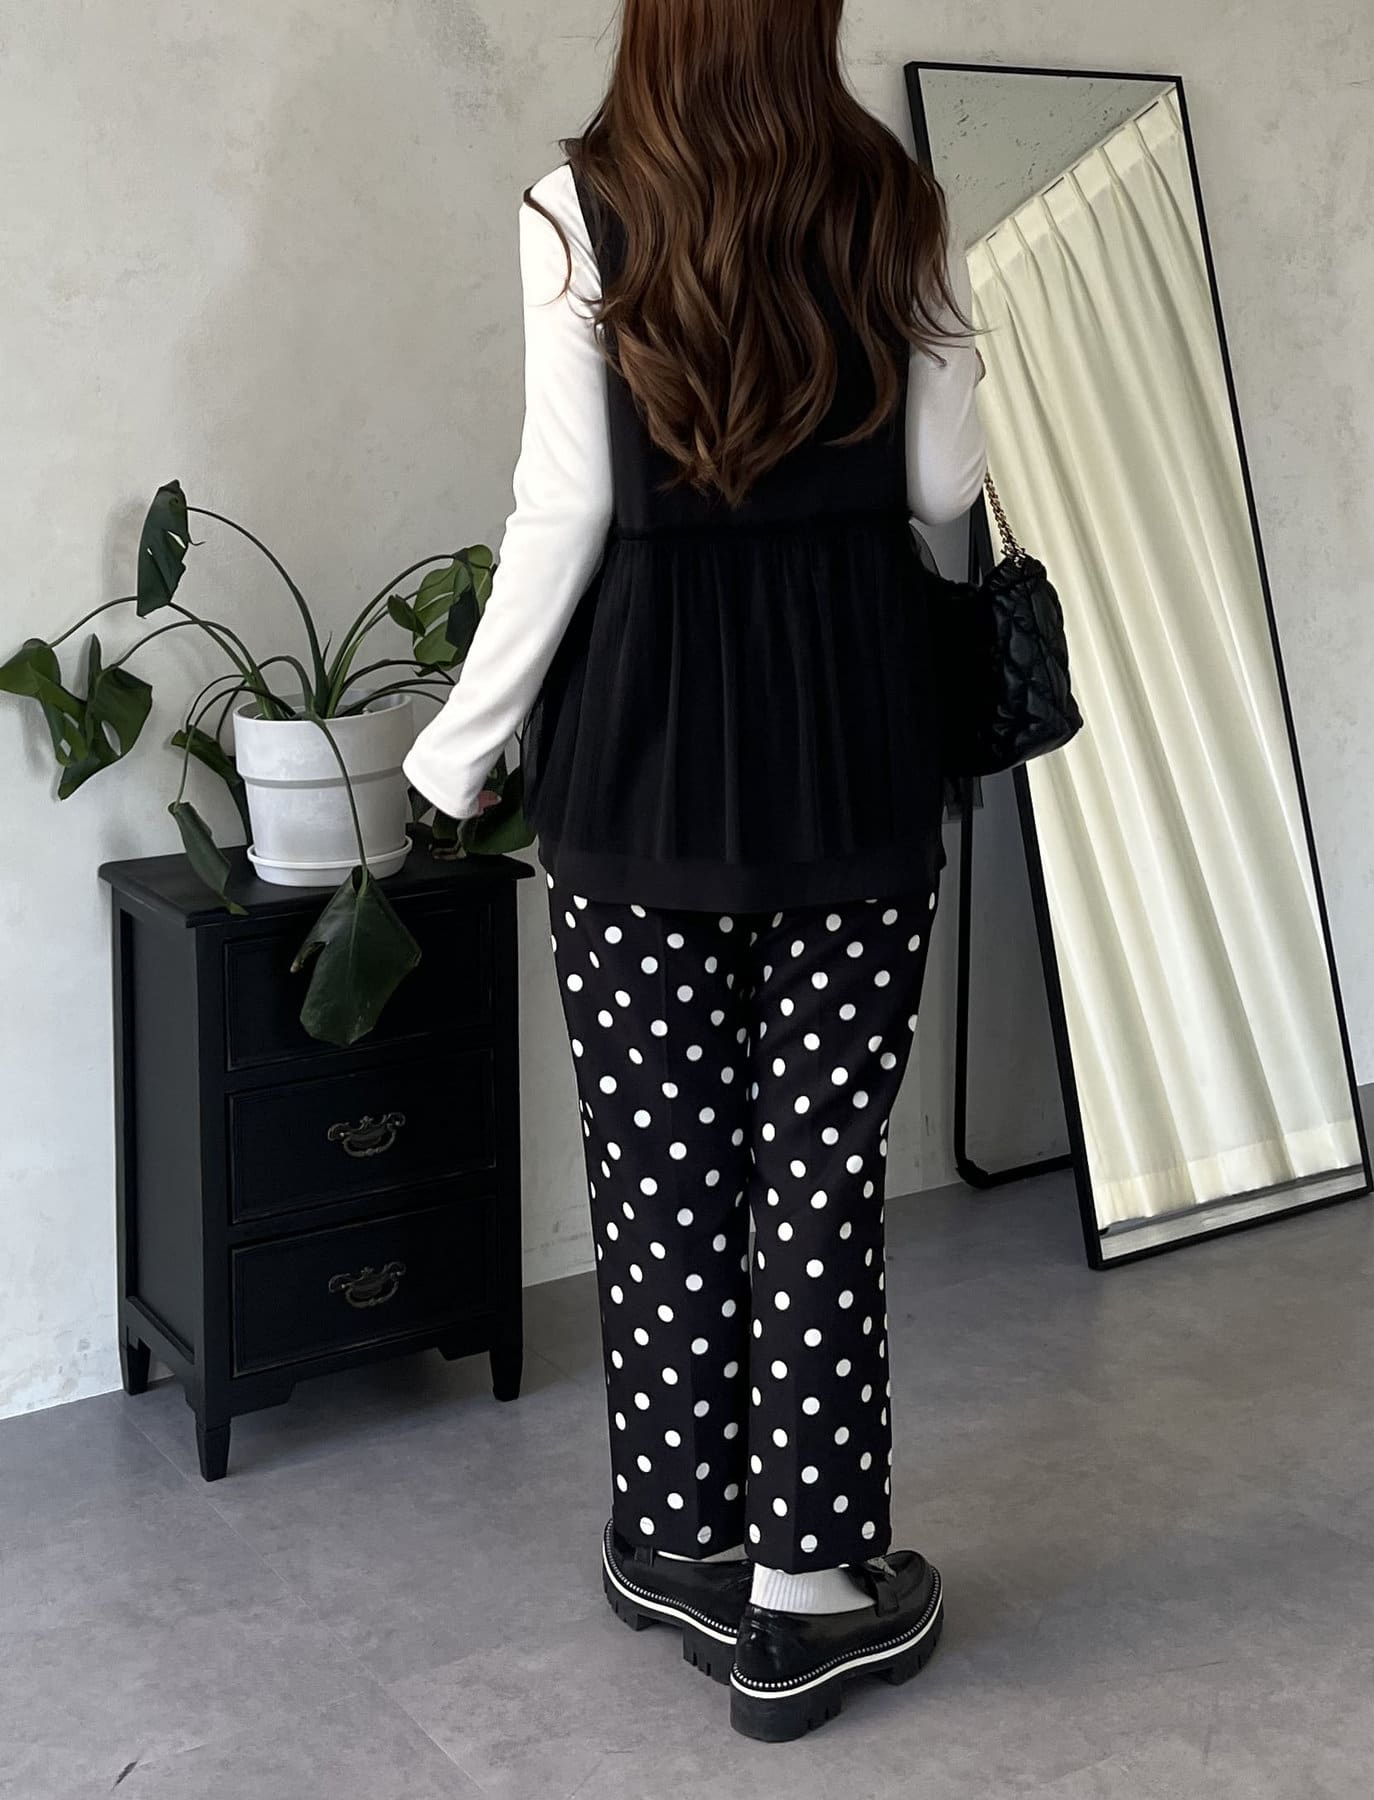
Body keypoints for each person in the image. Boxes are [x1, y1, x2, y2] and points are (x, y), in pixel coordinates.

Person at [403, 0, 985, 1744]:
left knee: (660, 1165)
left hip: (641, 741)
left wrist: (456, 741)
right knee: (819, 1166)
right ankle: (806, 1595)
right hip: (854, 729)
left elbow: (566, 506)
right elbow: (943, 486)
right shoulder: (897, 200)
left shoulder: (572, 207)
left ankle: (679, 1541)